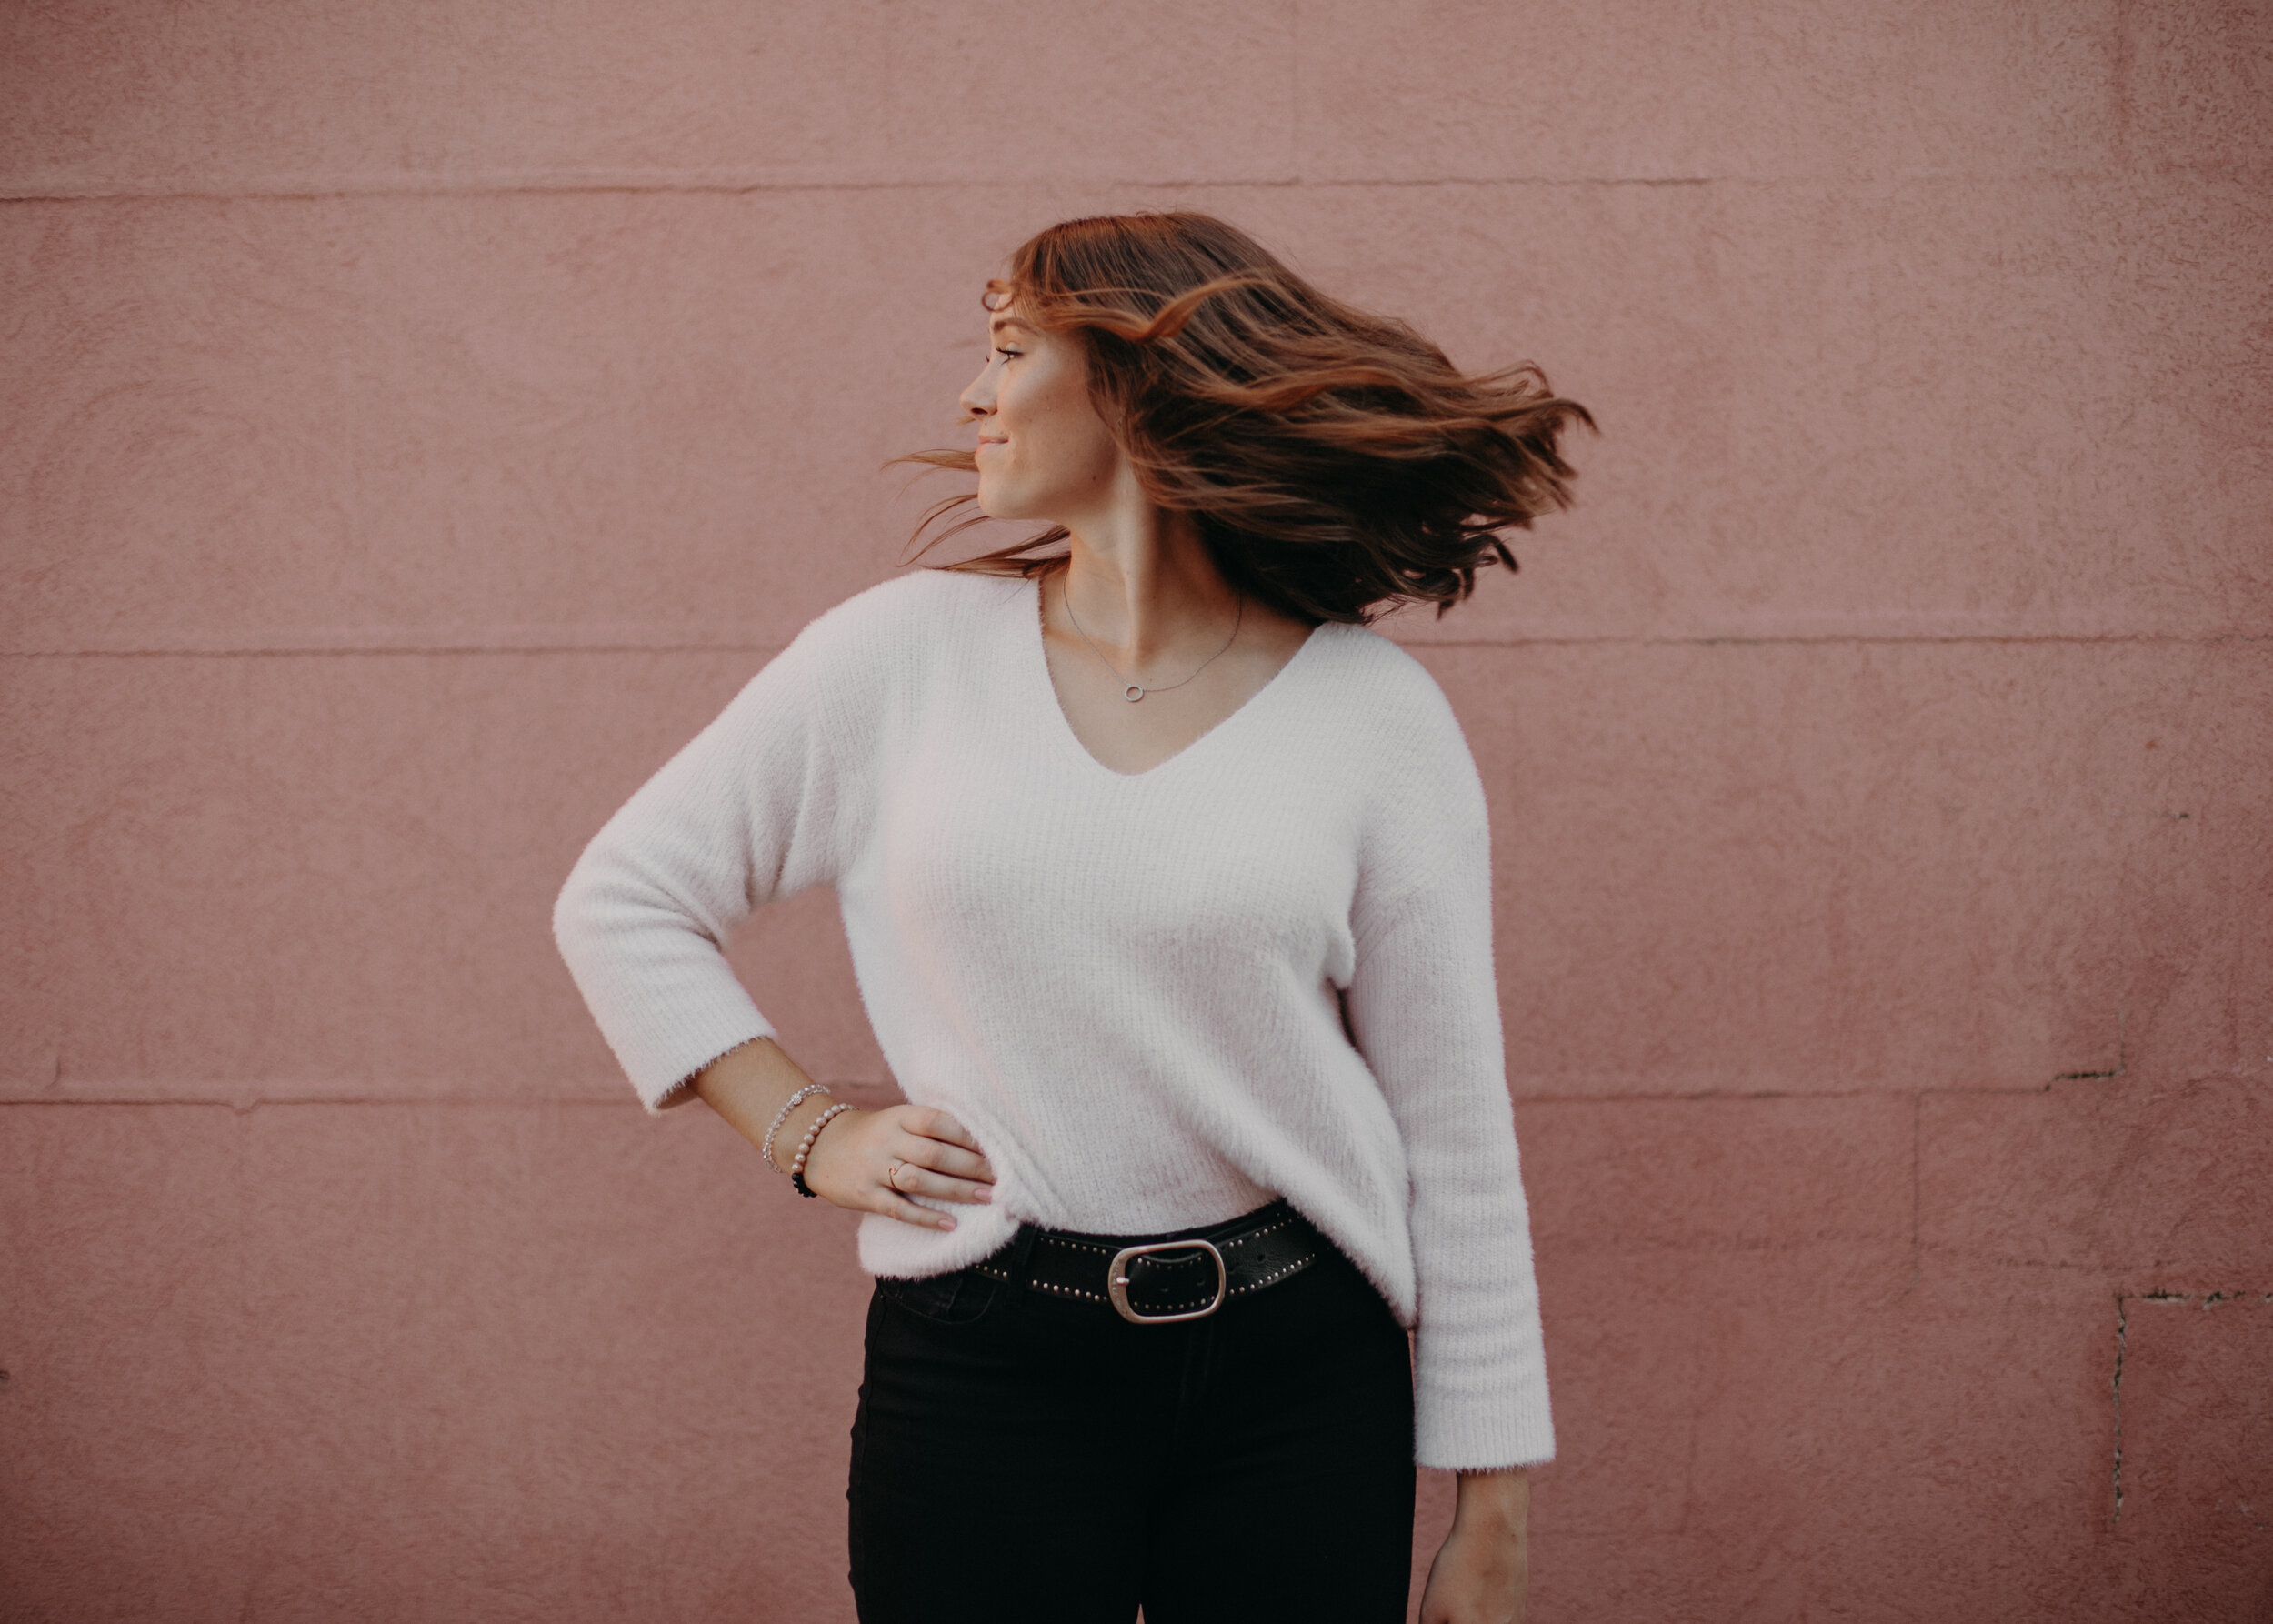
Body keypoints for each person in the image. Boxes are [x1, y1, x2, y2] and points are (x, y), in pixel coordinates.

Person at [554, 211, 1590, 1624]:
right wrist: (811, 1133)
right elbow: (623, 895)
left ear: (1135, 380)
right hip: (988, 1364)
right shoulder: (898, 656)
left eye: (1006, 350)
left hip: (1302, 1369)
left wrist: (1494, 1510)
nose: (971, 395)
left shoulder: (1376, 717)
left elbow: (1456, 1128)